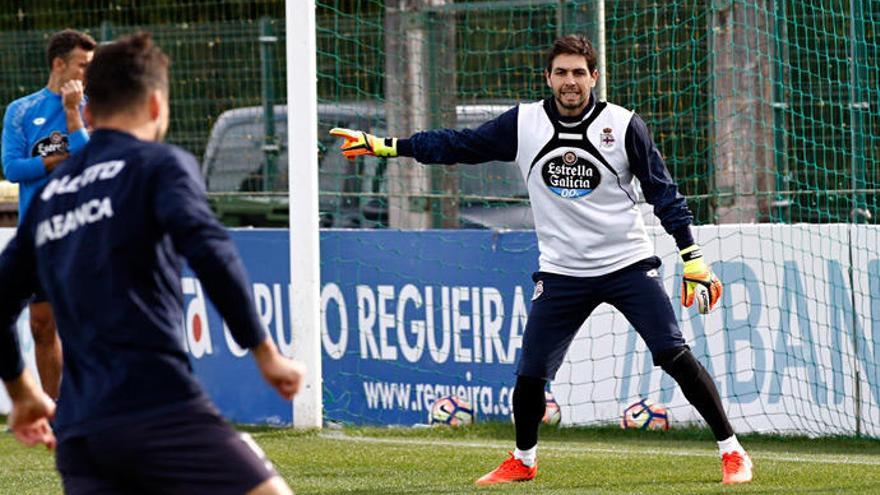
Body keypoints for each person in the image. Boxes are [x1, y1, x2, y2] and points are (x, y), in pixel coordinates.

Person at [331, 34, 753, 486]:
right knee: (530, 373)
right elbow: (459, 144)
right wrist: (389, 146)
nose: (569, 82)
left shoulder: (624, 125)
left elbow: (663, 194)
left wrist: (693, 259)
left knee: (673, 352)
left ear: (594, 76)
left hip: (627, 264)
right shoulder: (525, 123)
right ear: (548, 77)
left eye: (578, 73)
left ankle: (732, 452)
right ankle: (523, 460)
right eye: (561, 73)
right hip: (562, 271)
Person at [0, 32, 303, 495]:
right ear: (157, 105)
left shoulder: (51, 198)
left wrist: (22, 393)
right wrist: (266, 353)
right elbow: (209, 248)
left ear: (90, 112)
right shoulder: (157, 165)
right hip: (158, 407)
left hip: (81, 436)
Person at [1, 29, 96, 399]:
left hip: (83, 231)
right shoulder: (22, 110)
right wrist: (56, 161)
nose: (88, 72)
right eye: (82, 64)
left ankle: (89, 405)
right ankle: (55, 409)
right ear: (59, 64)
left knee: (82, 324)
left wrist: (73, 113)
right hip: (38, 234)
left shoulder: (93, 106)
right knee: (42, 325)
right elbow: (12, 168)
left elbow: (90, 160)